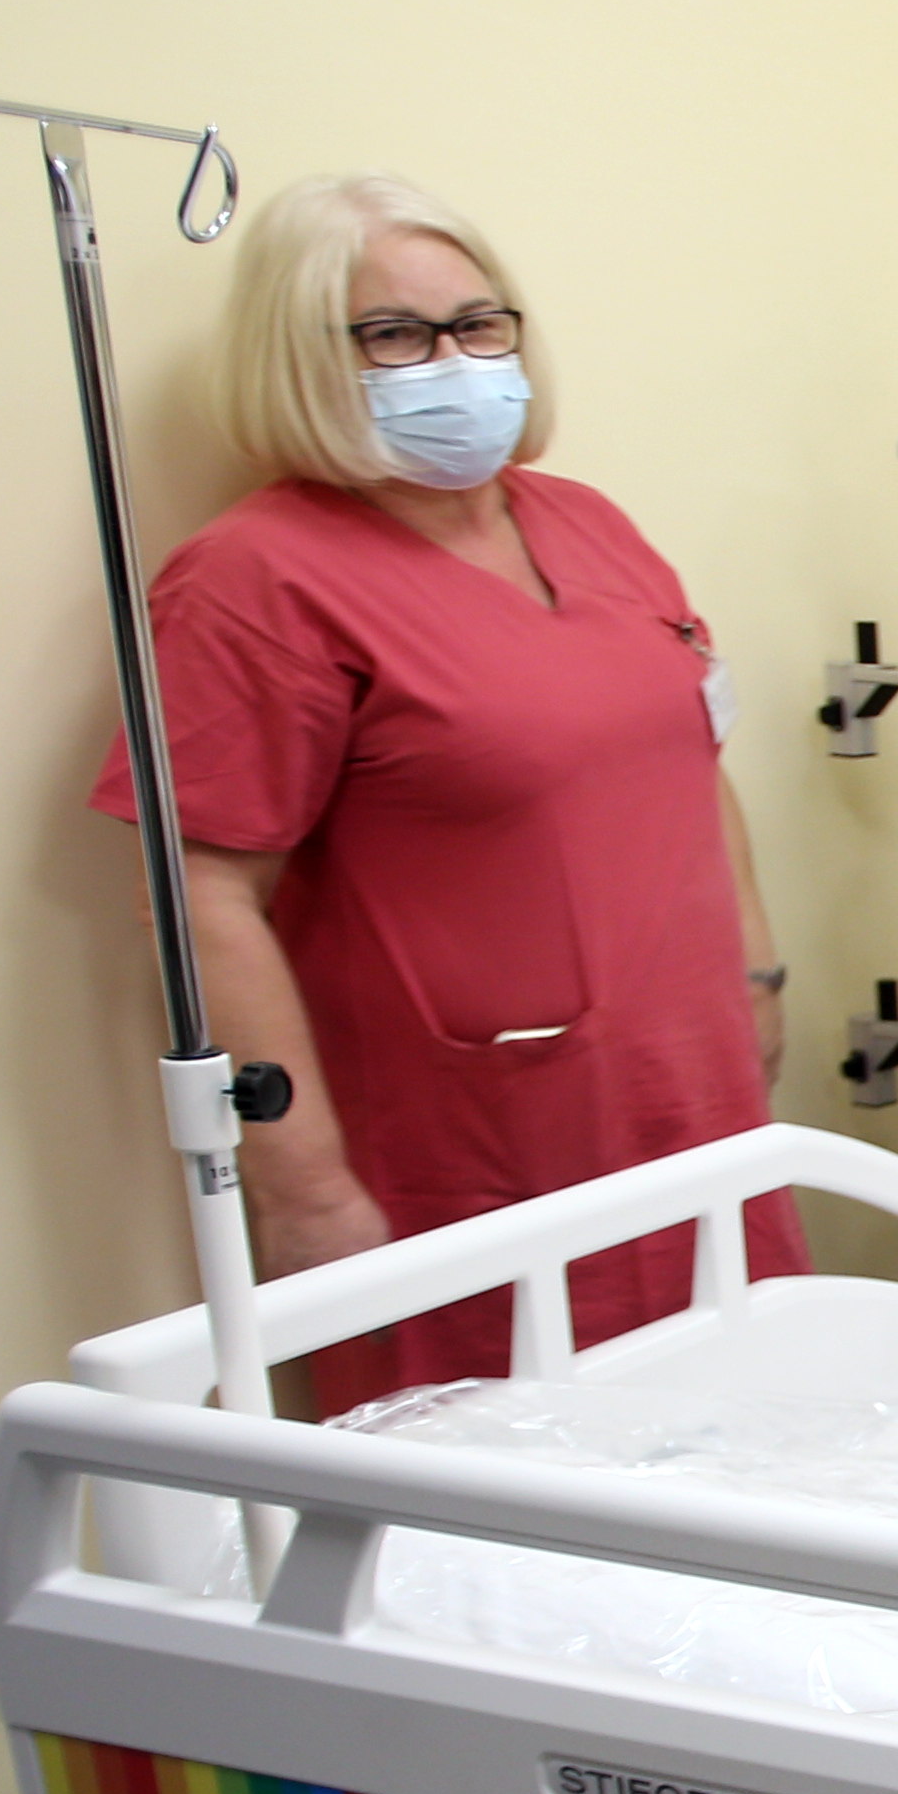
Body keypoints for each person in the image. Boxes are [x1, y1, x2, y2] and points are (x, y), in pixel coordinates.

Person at [94, 174, 797, 1412]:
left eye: (479, 324)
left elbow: (697, 757)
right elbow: (199, 898)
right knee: (512, 1475)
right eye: (395, 335)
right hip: (472, 1148)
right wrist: (308, 1193)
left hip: (688, 1095)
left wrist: (758, 982)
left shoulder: (588, 525)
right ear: (304, 358)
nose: (454, 361)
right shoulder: (256, 582)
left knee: (749, 1428)